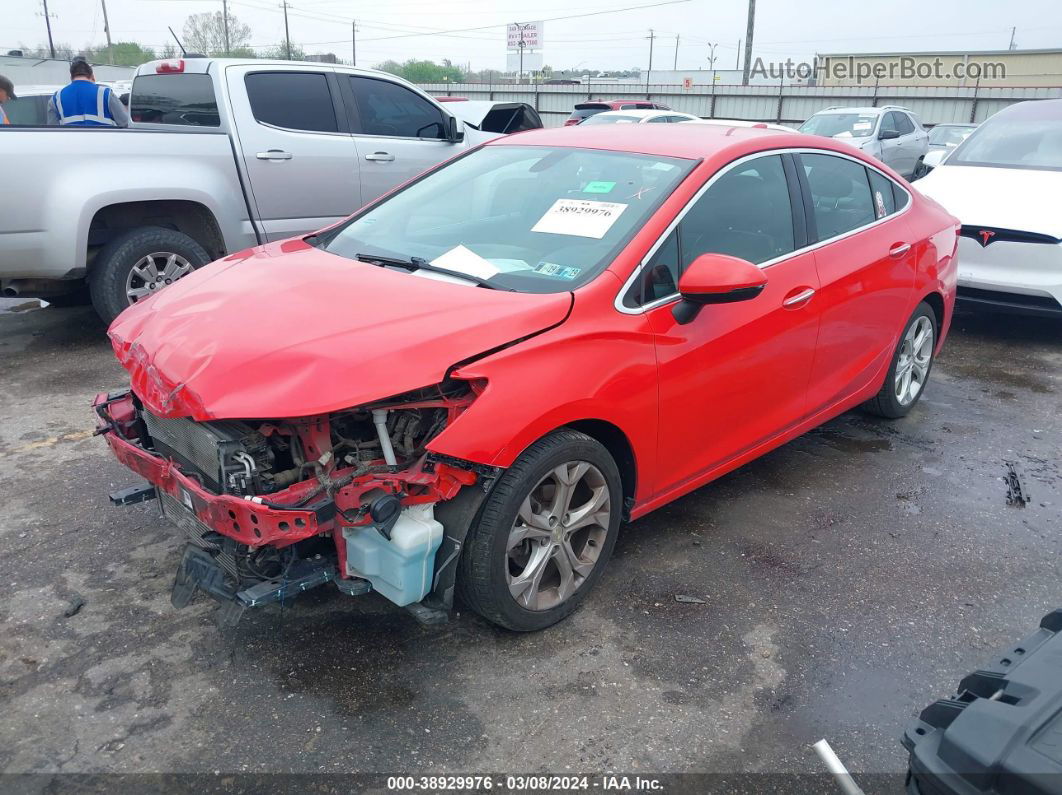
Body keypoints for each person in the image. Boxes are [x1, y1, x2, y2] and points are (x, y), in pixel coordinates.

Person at [48, 57, 129, 128]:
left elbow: (52, 130)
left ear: (71, 77)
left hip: (70, 145)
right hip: (102, 144)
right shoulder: (106, 94)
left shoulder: (56, 98)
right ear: (92, 76)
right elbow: (126, 123)